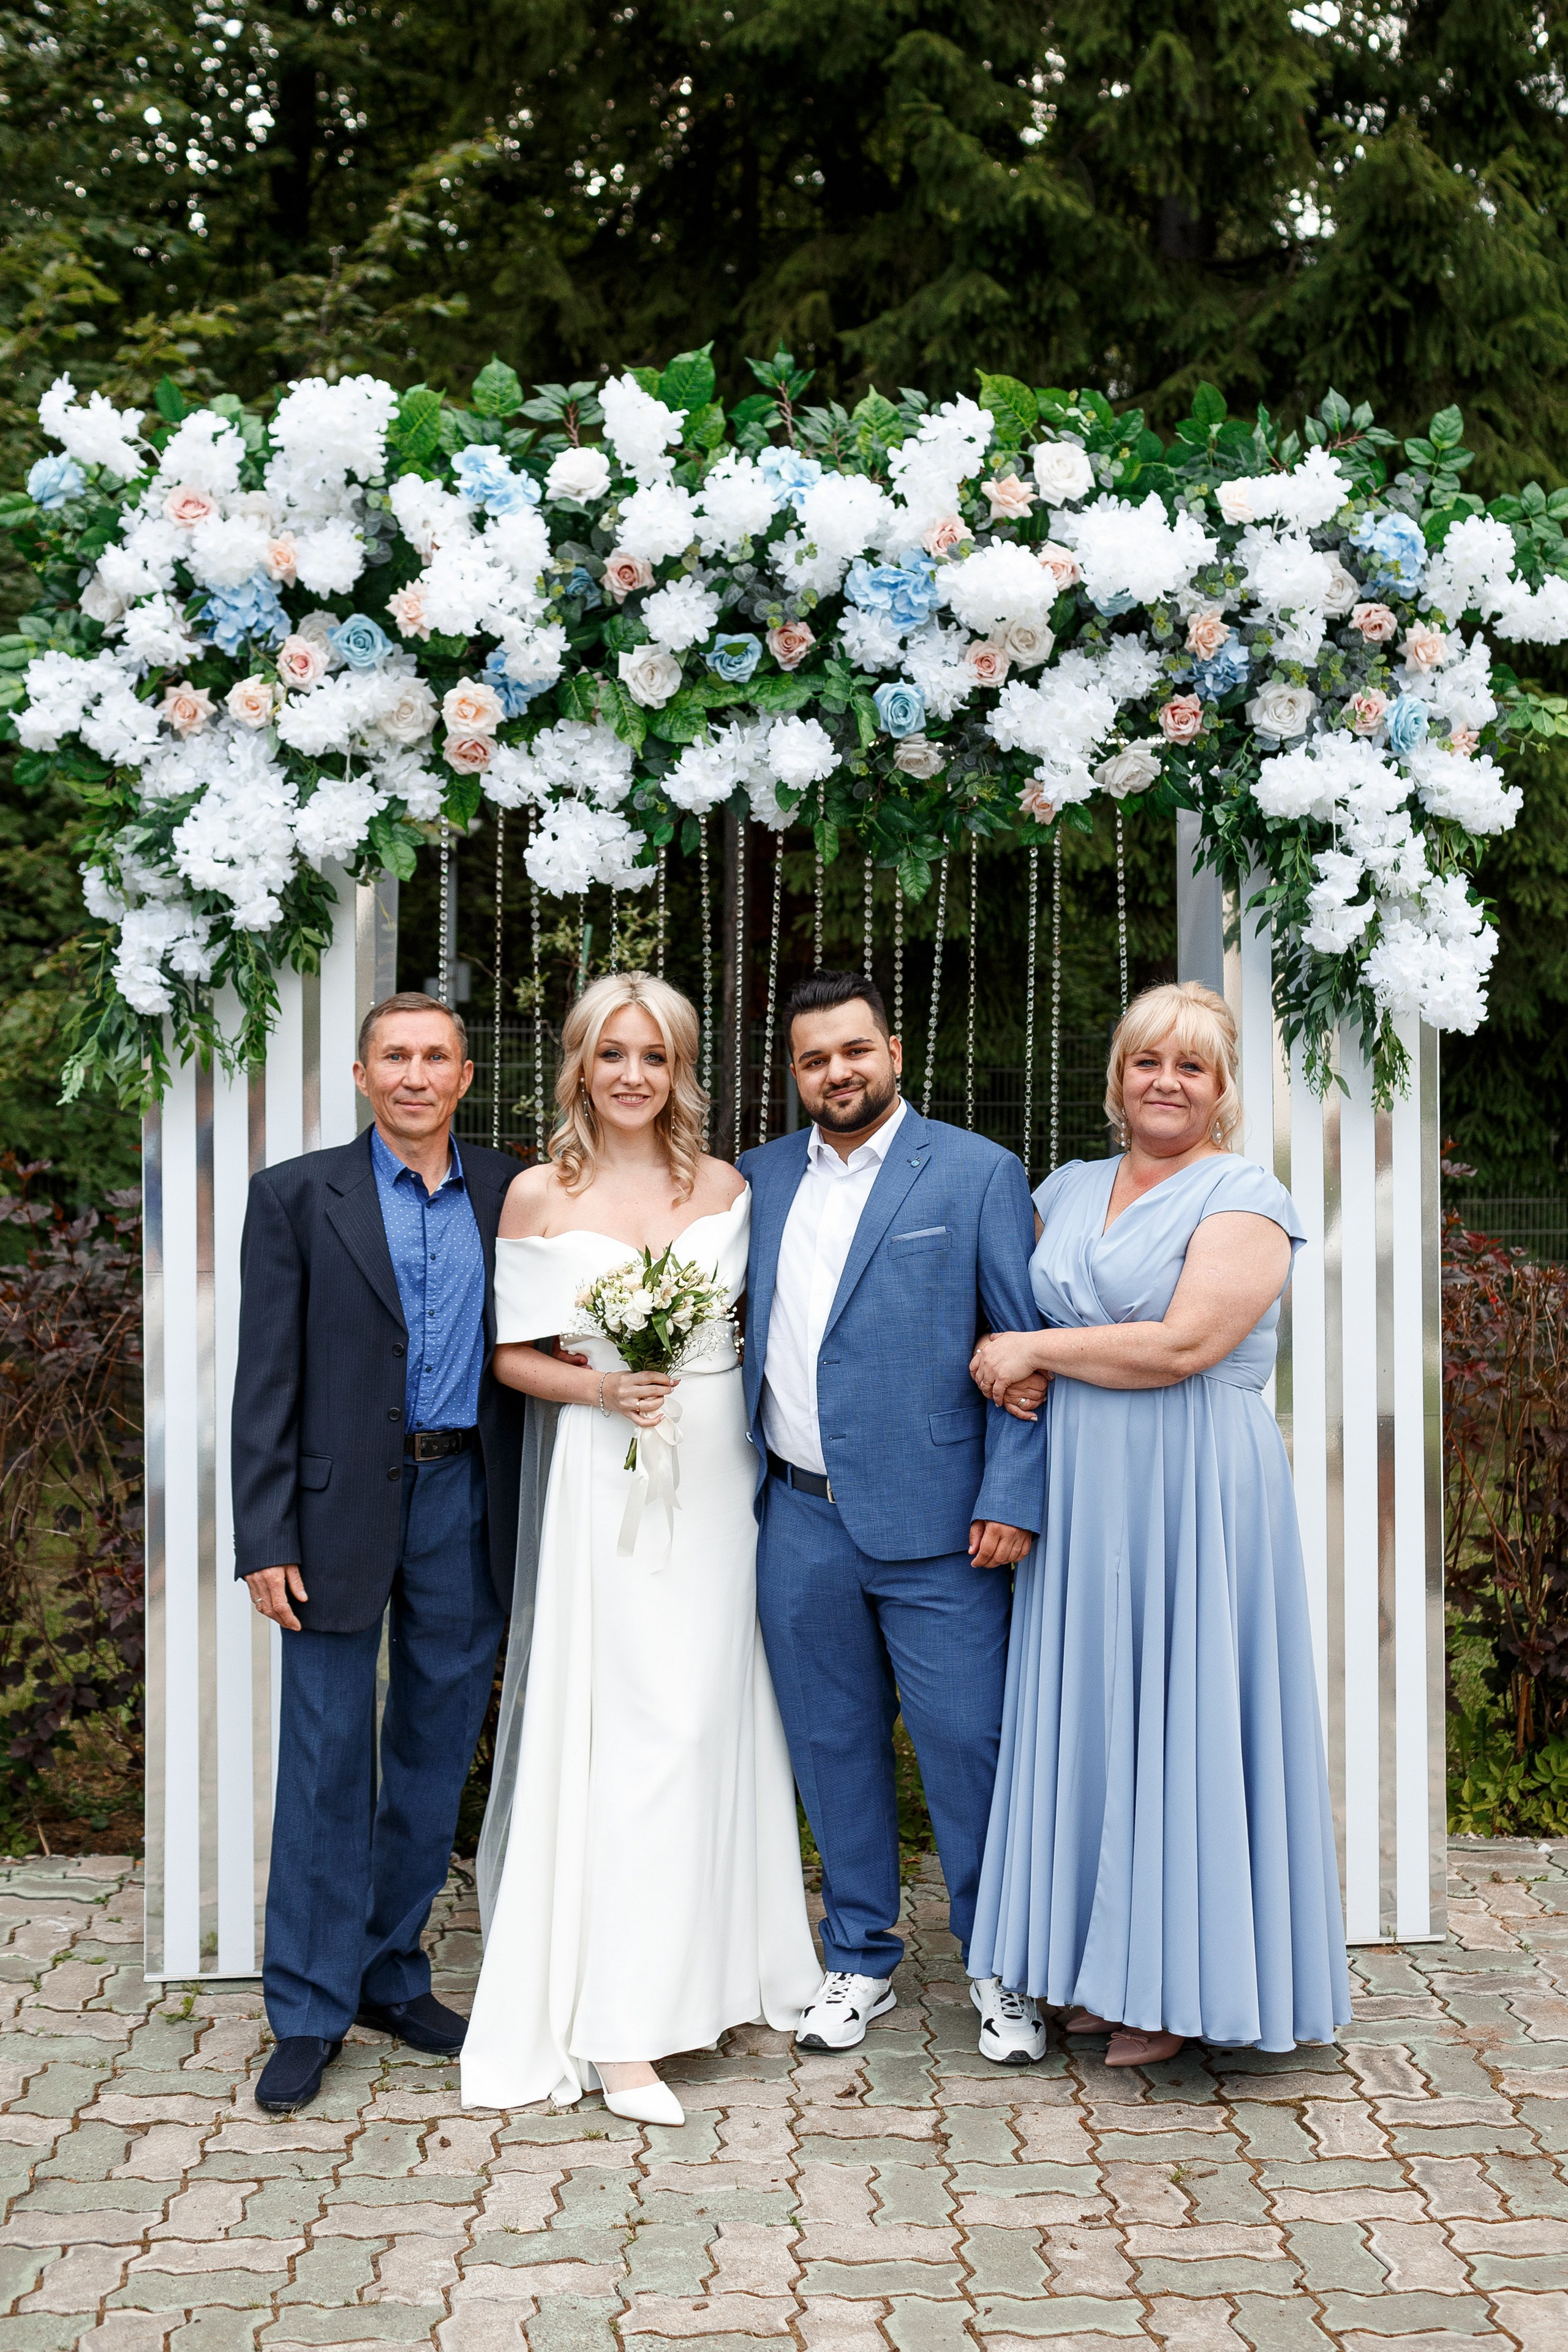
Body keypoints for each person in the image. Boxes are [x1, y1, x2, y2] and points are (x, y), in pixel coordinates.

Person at [967, 980, 1352, 2064]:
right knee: (1091, 1711)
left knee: (1180, 1712)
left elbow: (1184, 1345)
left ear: (1221, 1090)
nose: (1166, 1082)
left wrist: (1037, 1353)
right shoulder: (1070, 1184)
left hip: (1192, 1488)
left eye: (1191, 1066)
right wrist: (1013, 1371)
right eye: (1148, 1062)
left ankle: (1176, 1990)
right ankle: (1095, 1968)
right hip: (1083, 1492)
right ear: (1118, 1080)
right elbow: (1007, 1314)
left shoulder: (1247, 1196)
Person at [461, 972, 820, 2127]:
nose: (631, 1075)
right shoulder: (534, 1195)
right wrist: (602, 1385)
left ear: (680, 1070)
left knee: (714, 1719)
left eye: (654, 1057)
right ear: (578, 1065)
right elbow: (513, 1358)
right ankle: (618, 2029)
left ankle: (714, 1976)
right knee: (630, 1733)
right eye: (611, 1054)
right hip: (605, 1482)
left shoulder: (726, 1185)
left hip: (718, 1479)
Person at [738, 970, 1049, 2065]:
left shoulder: (975, 1173)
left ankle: (1000, 1965)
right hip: (797, 1516)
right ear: (796, 1071)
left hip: (944, 1528)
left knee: (972, 1747)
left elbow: (1023, 1351)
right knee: (830, 1747)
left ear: (895, 1050)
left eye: (855, 1050)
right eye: (816, 1058)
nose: (838, 1073)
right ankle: (860, 1957)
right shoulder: (754, 1181)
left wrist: (1013, 1496)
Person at [232, 992, 529, 2116]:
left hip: (467, 1495)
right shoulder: (297, 1197)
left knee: (432, 1751)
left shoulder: (512, 1193)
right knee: (324, 1760)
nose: (415, 1074)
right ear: (363, 1076)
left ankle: (389, 1971)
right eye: (394, 1056)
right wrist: (264, 1534)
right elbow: (264, 1380)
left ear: (463, 1077)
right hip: (333, 1512)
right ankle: (307, 2009)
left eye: (435, 1056)